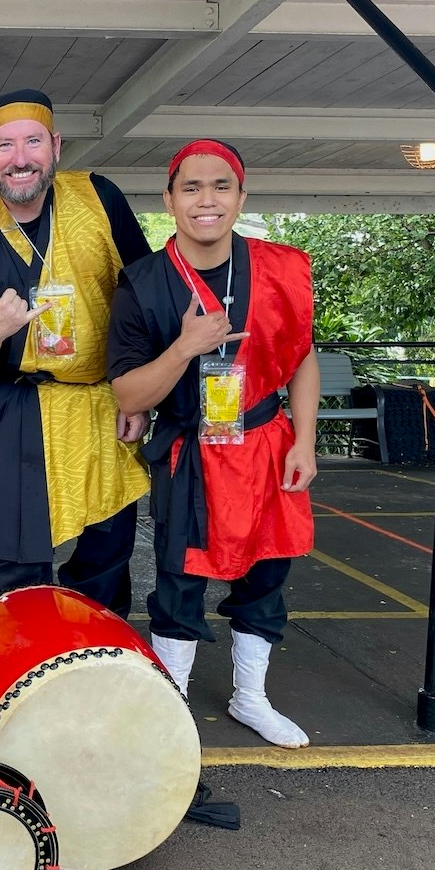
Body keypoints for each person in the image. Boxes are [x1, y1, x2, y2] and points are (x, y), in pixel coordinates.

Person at [108, 139, 317, 748]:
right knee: (180, 579)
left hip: (266, 441)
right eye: (192, 188)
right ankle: (171, 706)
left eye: (221, 186)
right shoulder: (143, 283)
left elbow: (301, 358)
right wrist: (184, 347)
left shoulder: (281, 267)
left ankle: (250, 697)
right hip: (189, 451)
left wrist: (305, 440)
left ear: (241, 196)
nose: (207, 200)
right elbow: (127, 395)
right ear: (169, 200)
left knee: (267, 575)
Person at [0, 88, 152, 612]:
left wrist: (138, 396)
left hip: (104, 402)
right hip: (22, 406)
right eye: (5, 145)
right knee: (18, 563)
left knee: (108, 549)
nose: (20, 159)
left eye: (33, 141)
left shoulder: (100, 198)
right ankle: (13, 674)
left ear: (55, 145)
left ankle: (93, 662)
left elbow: (146, 299)